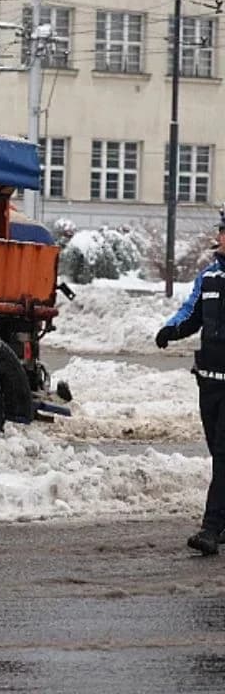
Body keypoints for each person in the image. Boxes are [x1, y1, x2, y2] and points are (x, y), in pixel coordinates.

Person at [157, 211, 225, 555]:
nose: (222, 236)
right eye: (222, 230)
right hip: (209, 381)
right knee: (217, 452)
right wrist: (171, 330)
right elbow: (191, 313)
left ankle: (210, 529)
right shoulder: (209, 277)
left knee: (224, 455)